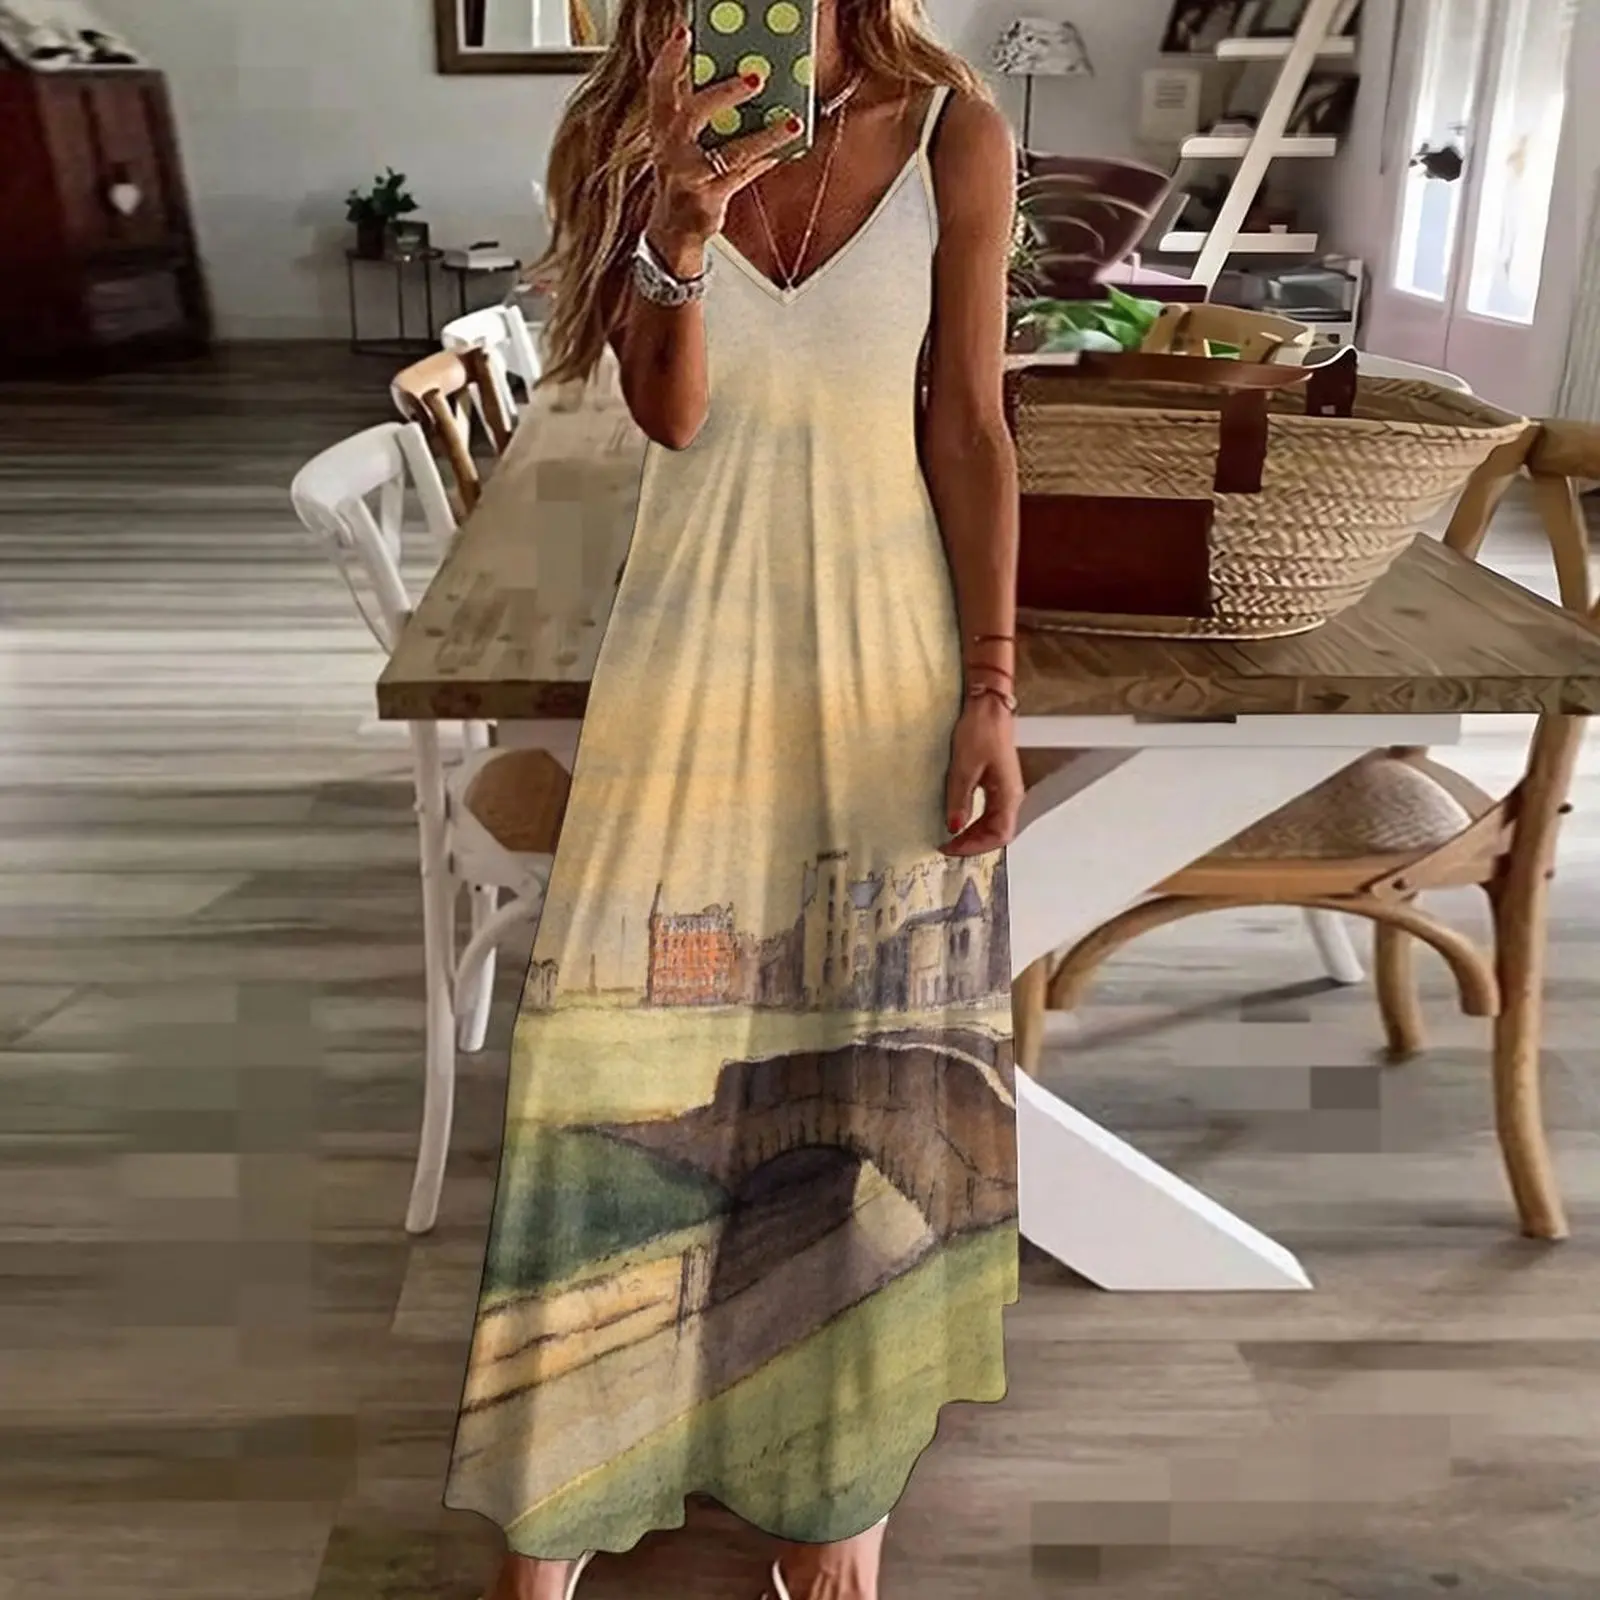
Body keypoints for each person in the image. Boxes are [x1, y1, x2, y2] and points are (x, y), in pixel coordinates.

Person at [445, 2, 1023, 1597]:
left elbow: (970, 426)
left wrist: (990, 687)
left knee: (868, 1048)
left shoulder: (955, 134)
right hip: (684, 647)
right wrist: (680, 228)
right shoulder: (642, 130)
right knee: (619, 1054)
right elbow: (672, 415)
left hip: (886, 648)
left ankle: (835, 1501)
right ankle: (564, 1491)